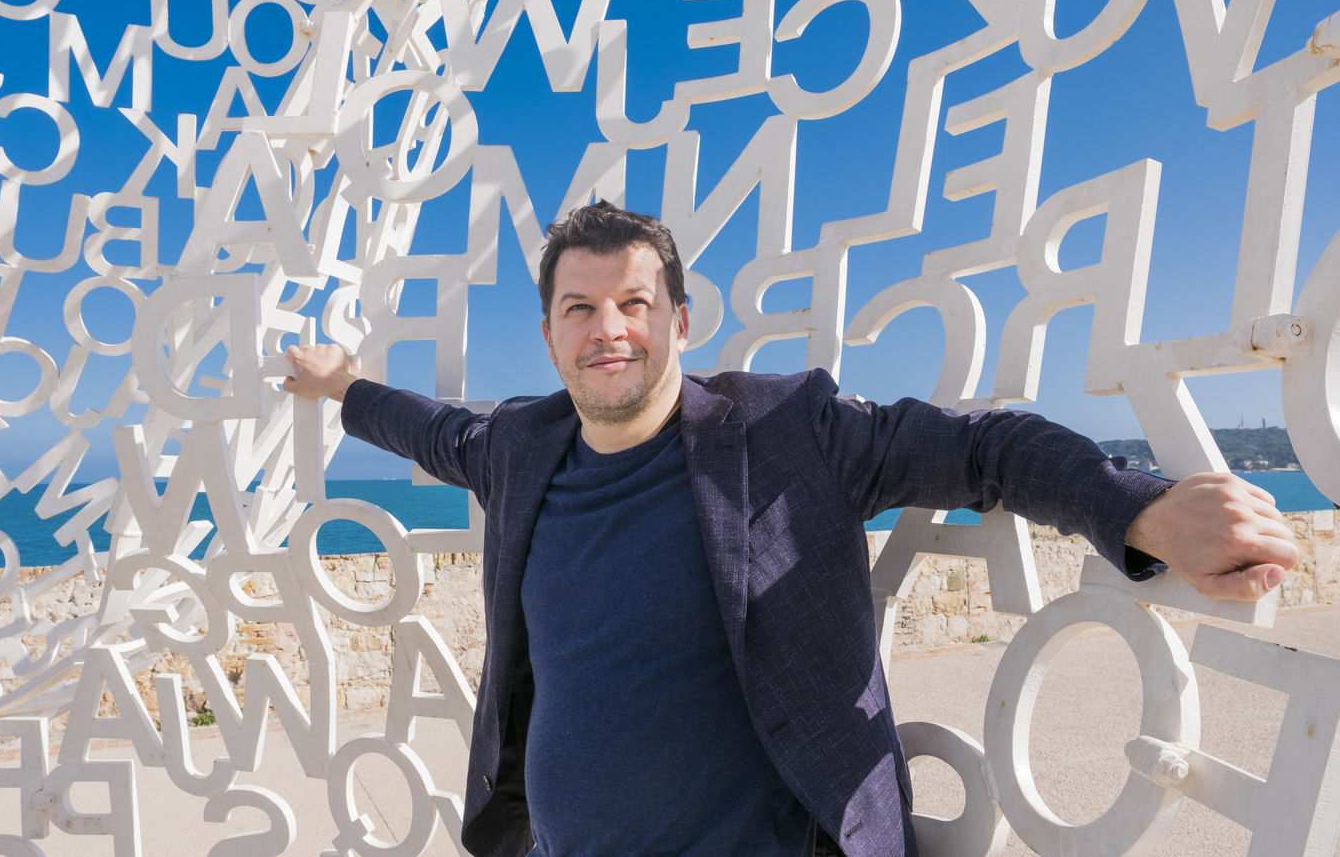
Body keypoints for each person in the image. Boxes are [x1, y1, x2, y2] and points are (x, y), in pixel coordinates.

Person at [284, 201, 1298, 857]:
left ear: (679, 321)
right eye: (580, 309)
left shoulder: (784, 431)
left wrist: (1138, 508)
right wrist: (343, 390)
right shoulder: (519, 445)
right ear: (549, 334)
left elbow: (982, 446)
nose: (609, 329)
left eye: (635, 302)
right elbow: (434, 431)